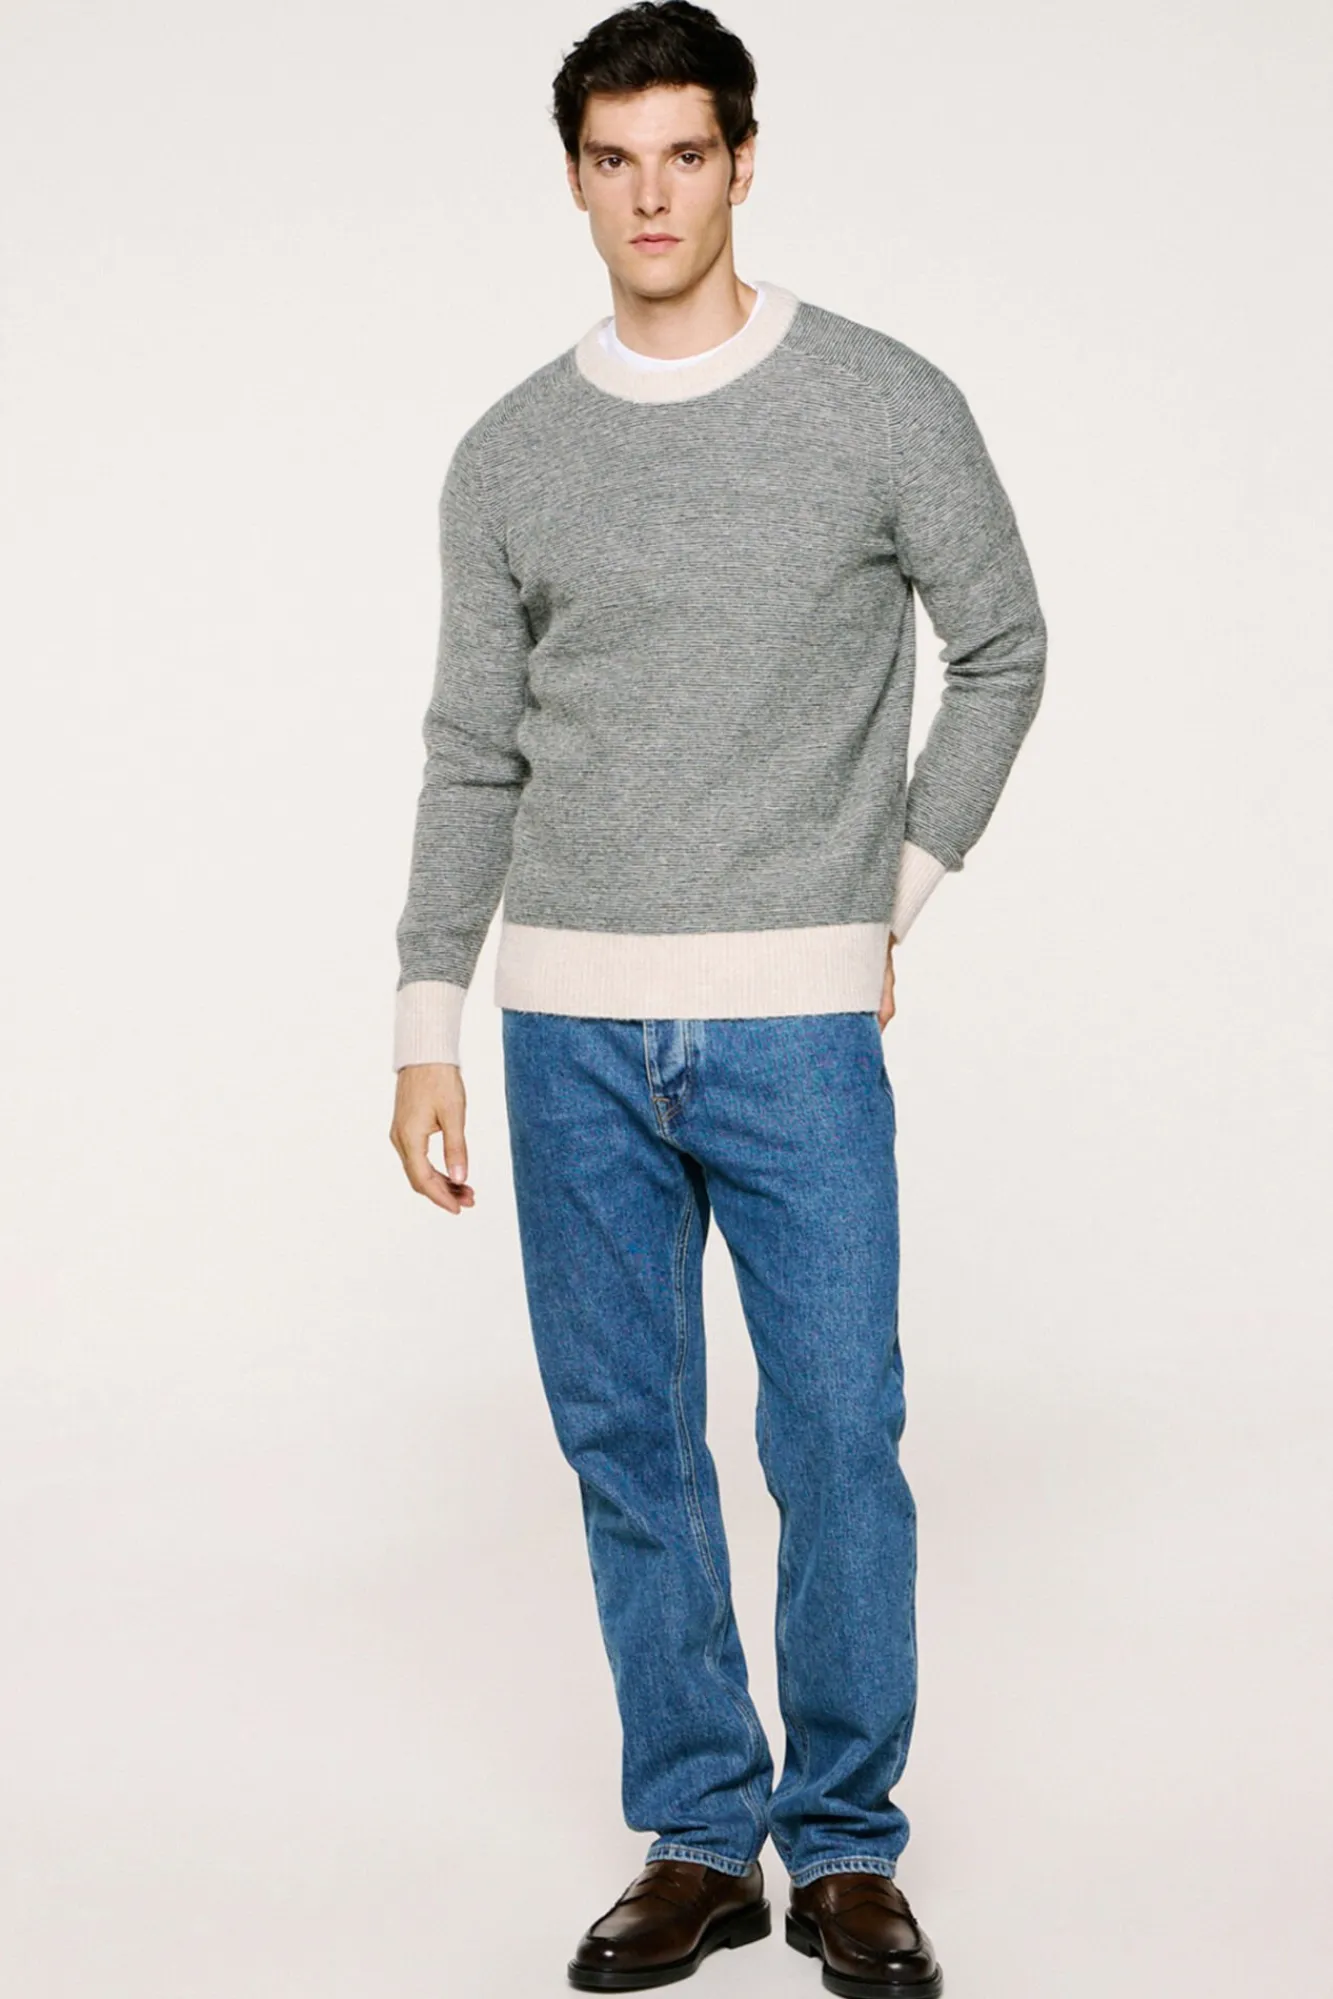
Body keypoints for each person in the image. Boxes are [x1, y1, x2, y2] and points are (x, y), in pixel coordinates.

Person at [388, 4, 1046, 1991]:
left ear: (744, 161)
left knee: (838, 1430)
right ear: (575, 176)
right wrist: (427, 1017)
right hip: (566, 1025)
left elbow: (1003, 647)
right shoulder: (512, 452)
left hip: (792, 1022)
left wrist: (888, 897)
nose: (651, 195)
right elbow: (471, 749)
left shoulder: (879, 403)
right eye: (615, 160)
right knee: (630, 1441)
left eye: (685, 153)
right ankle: (699, 1833)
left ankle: (843, 1846)